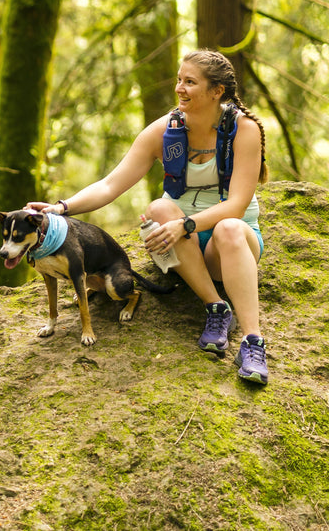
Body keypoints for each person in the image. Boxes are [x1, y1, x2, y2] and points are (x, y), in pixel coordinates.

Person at [27, 49, 270, 384]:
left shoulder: (244, 130)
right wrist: (61, 208)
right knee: (158, 209)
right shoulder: (165, 130)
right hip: (180, 247)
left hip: (228, 245)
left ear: (217, 91)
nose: (180, 88)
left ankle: (252, 342)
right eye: (179, 80)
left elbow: (237, 206)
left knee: (229, 227)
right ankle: (216, 308)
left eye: (190, 82)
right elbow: (111, 184)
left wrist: (184, 225)